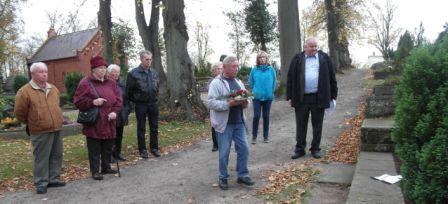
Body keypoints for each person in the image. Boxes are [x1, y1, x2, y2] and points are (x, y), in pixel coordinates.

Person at [14, 62, 65, 194]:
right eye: (41, 72)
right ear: (33, 74)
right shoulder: (24, 91)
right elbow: (20, 112)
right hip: (40, 131)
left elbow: (57, 106)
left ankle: (54, 179)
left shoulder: (53, 89)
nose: (44, 74)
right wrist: (34, 122)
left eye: (46, 72)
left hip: (56, 128)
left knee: (56, 155)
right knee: (41, 158)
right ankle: (41, 182)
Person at [208, 56, 255, 190]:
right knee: (224, 152)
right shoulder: (216, 83)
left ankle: (243, 175)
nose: (236, 69)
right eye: (234, 66)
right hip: (224, 124)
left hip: (239, 122)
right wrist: (229, 104)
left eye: (237, 66)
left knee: (244, 149)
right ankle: (223, 177)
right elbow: (211, 102)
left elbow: (246, 98)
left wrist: (246, 102)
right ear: (225, 67)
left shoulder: (238, 82)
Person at [286, 37, 338, 159]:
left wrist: (333, 95)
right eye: (311, 46)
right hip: (301, 98)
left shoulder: (324, 58)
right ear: (305, 47)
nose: (314, 48)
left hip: (318, 97)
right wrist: (289, 96)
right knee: (301, 125)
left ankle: (315, 148)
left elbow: (332, 77)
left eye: (316, 46)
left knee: (317, 125)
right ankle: (300, 149)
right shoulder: (297, 58)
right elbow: (290, 78)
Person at [74, 56, 122, 180]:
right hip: (95, 121)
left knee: (108, 145)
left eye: (104, 68)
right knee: (94, 148)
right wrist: (93, 102)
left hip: (109, 120)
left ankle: (106, 167)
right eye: (100, 68)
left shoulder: (111, 83)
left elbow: (119, 100)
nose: (103, 70)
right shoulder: (85, 83)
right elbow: (78, 101)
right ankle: (95, 171)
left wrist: (115, 112)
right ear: (93, 69)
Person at [126, 50, 161, 159]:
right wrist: (136, 100)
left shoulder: (154, 72)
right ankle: (142, 149)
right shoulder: (133, 73)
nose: (149, 61)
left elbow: (157, 86)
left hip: (153, 103)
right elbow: (129, 91)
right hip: (141, 105)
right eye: (147, 59)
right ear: (141, 59)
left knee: (154, 127)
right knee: (141, 127)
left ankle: (154, 148)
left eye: (150, 59)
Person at [248, 50, 276, 144]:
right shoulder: (254, 70)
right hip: (257, 97)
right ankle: (254, 136)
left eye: (263, 57)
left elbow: (274, 82)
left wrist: (270, 92)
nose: (262, 59)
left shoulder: (271, 69)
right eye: (260, 57)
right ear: (258, 59)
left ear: (266, 58)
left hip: (268, 97)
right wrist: (255, 90)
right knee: (256, 116)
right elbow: (250, 82)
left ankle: (265, 136)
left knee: (266, 116)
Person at [106, 64, 131, 161]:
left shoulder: (122, 86)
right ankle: (109, 155)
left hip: (121, 114)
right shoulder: (106, 85)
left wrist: (127, 110)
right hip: (110, 114)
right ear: (109, 73)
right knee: (110, 135)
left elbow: (127, 100)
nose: (116, 74)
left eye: (118, 72)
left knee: (119, 135)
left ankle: (117, 152)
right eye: (114, 72)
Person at [207, 62, 223, 152]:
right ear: (213, 71)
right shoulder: (211, 81)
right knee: (214, 125)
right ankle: (215, 144)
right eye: (218, 69)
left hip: (222, 104)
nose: (220, 70)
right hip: (214, 105)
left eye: (221, 68)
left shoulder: (224, 80)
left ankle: (222, 142)